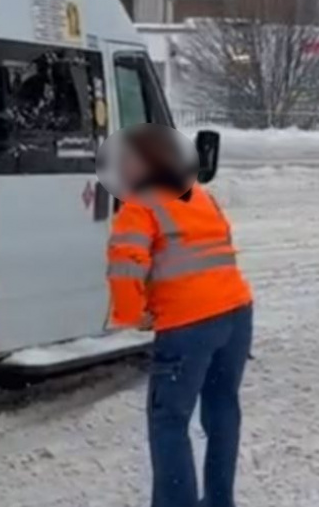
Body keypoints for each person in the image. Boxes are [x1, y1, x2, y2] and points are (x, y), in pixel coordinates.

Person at [105, 124, 253, 507]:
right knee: (222, 410)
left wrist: (132, 315)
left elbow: (126, 265)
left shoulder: (139, 205)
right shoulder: (202, 197)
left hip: (188, 325)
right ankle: (220, 500)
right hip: (236, 313)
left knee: (169, 421)